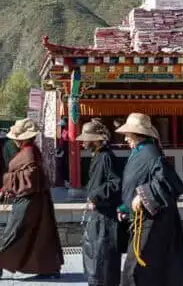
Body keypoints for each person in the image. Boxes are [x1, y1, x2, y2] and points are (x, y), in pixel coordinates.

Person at [0, 118, 64, 280]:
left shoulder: (30, 152)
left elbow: (31, 177)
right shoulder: (28, 151)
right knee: (35, 233)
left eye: (18, 137)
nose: (15, 140)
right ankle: (47, 267)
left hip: (30, 201)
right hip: (31, 199)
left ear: (25, 138)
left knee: (15, 231)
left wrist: (9, 181)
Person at [115, 113, 183, 286]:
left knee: (137, 269)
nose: (126, 139)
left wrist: (143, 195)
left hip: (153, 224)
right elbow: (136, 182)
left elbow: (170, 183)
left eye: (127, 135)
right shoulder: (139, 152)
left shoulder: (151, 153)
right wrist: (125, 208)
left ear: (137, 134)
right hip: (143, 220)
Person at [79, 119, 124, 286]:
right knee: (96, 254)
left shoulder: (106, 157)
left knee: (103, 255)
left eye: (87, 138)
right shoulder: (98, 155)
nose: (83, 142)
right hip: (99, 212)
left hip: (106, 215)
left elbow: (115, 183)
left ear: (97, 139)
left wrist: (95, 197)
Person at [55, 116, 69, 187]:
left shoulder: (68, 130)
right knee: (60, 165)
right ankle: (65, 180)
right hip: (62, 150)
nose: (62, 126)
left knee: (65, 166)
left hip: (67, 150)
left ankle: (67, 181)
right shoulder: (63, 130)